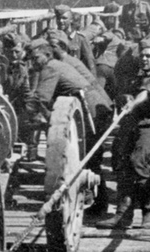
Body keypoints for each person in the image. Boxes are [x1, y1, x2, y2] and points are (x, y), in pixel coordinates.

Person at [22, 43, 113, 213]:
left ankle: (98, 204)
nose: (33, 63)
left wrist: (24, 118)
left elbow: (40, 99)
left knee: (89, 157)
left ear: (48, 55)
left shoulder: (49, 68)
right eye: (30, 59)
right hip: (97, 107)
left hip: (91, 111)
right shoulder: (59, 64)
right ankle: (97, 202)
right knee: (91, 158)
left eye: (36, 58)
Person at [99, 39, 150, 230]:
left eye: (149, 55)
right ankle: (123, 214)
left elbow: (146, 94)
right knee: (121, 161)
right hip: (135, 124)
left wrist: (134, 102)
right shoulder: (137, 77)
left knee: (138, 161)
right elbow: (129, 94)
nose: (144, 58)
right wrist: (125, 98)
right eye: (142, 55)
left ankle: (148, 213)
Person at [45, 4, 97, 73]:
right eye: (58, 18)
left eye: (64, 18)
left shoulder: (80, 38)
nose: (61, 21)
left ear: (71, 20)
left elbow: (90, 64)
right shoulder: (52, 38)